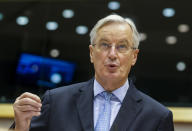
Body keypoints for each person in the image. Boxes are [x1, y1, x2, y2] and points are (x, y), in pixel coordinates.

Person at [11, 14, 174, 131]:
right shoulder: (55, 102)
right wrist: (21, 127)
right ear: (91, 53)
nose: (112, 54)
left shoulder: (157, 116)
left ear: (134, 56)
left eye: (122, 46)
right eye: (104, 45)